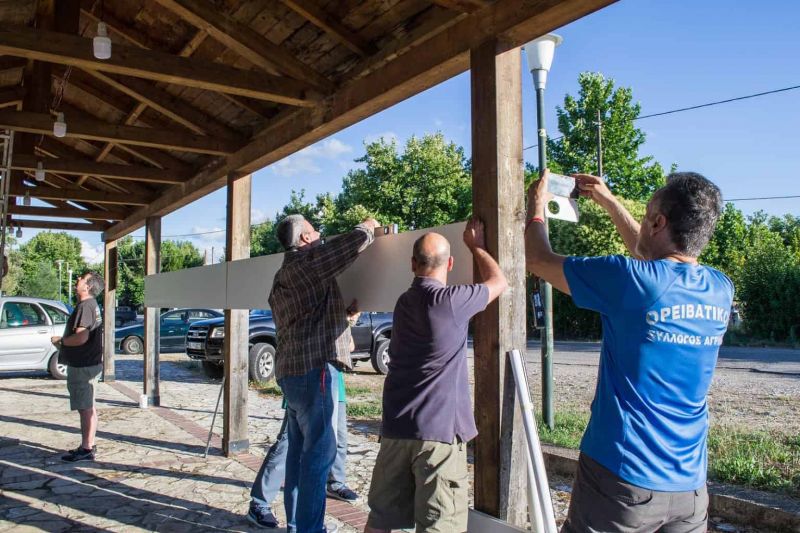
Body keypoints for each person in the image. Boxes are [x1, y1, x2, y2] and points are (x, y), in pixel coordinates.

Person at [525, 170, 733, 532]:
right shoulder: (720, 289)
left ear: (657, 221)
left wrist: (537, 207)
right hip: (690, 490)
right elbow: (652, 253)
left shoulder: (628, 279)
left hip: (622, 483)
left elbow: (539, 259)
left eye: (649, 215)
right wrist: (608, 201)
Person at [365, 218, 508, 533]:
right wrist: (477, 246)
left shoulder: (403, 303)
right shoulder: (452, 301)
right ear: (451, 263)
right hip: (437, 434)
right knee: (439, 525)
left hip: (396, 427)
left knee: (381, 520)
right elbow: (499, 282)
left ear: (412, 264)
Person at [266, 214, 380, 533]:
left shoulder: (285, 274)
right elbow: (348, 246)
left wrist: (345, 317)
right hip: (311, 370)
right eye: (316, 232)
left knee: (300, 455)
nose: (320, 236)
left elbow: (308, 321)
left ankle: (296, 524)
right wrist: (367, 228)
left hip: (292, 373)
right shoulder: (307, 263)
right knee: (319, 454)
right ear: (305, 239)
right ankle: (310, 529)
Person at [247, 304, 362, 530]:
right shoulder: (308, 304)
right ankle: (261, 503)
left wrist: (345, 321)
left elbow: (348, 345)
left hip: (331, 380)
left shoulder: (333, 309)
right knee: (289, 447)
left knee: (333, 442)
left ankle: (326, 494)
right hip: (307, 380)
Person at [51, 271, 105, 462]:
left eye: (81, 279)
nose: (77, 281)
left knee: (85, 407)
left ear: (88, 286)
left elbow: (81, 337)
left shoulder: (86, 306)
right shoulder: (90, 305)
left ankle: (87, 448)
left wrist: (62, 342)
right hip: (89, 363)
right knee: (89, 406)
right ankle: (88, 444)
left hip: (83, 365)